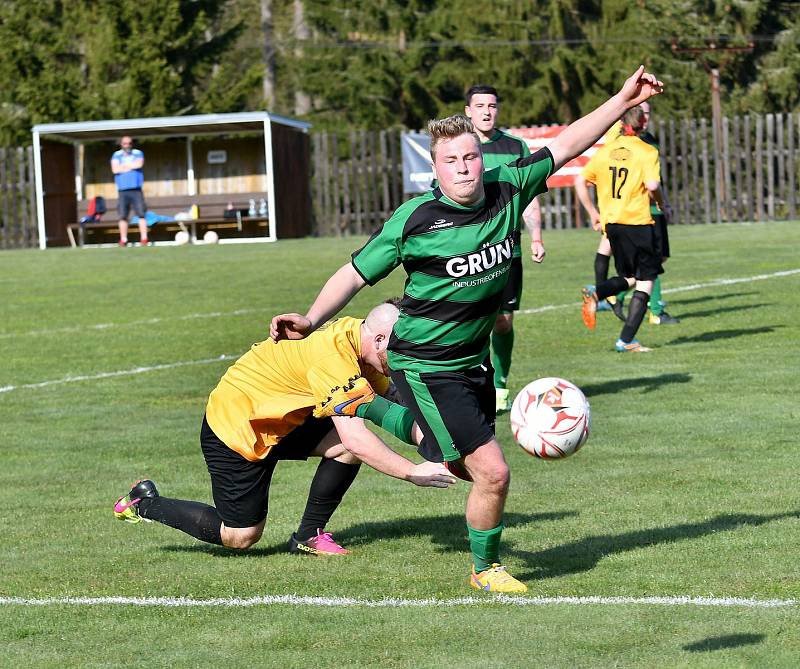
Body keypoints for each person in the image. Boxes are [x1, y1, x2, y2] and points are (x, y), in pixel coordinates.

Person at [271, 67, 663, 591]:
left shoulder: (509, 187)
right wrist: (310, 319)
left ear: (483, 158)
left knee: (455, 465)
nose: (464, 169)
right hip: (428, 366)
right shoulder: (414, 221)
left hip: (472, 362)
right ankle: (486, 571)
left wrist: (621, 98)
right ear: (435, 168)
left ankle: (364, 405)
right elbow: (355, 272)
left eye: (470, 157)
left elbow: (570, 141)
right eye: (450, 161)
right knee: (493, 472)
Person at [114, 300, 455, 554]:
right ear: (380, 339)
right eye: (401, 350)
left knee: (345, 450)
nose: (404, 359)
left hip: (283, 419)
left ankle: (308, 536)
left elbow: (390, 402)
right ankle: (143, 502)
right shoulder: (333, 358)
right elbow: (357, 437)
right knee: (241, 536)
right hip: (237, 426)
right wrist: (412, 472)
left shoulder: (364, 342)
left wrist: (440, 438)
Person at [464, 84, 545, 414]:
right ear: (468, 110)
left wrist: (536, 236)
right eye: (480, 105)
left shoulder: (515, 146)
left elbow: (528, 197)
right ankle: (474, 383)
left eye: (492, 105)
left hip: (507, 252)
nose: (487, 111)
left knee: (502, 322)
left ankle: (501, 383)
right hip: (468, 253)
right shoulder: (459, 145)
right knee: (471, 321)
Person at [575, 104, 668, 352]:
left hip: (613, 224)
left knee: (629, 277)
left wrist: (593, 214)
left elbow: (579, 181)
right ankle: (626, 340)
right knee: (647, 280)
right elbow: (651, 184)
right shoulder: (646, 150)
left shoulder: (606, 152)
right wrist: (661, 202)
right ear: (642, 124)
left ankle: (597, 292)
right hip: (637, 222)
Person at [588, 101, 679, 325]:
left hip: (641, 211)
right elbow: (650, 183)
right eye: (642, 114)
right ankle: (654, 311)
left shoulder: (650, 140)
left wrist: (664, 202)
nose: (645, 118)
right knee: (649, 267)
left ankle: (608, 295)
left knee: (645, 266)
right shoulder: (623, 142)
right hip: (637, 212)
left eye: (648, 113)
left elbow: (656, 181)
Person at [111, 136, 148, 247]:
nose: (127, 145)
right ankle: (123, 239)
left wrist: (123, 167)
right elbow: (115, 169)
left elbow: (139, 164)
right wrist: (131, 166)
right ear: (121, 144)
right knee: (123, 216)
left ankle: (144, 238)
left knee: (141, 214)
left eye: (129, 143)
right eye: (125, 143)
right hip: (122, 190)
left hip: (136, 189)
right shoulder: (116, 155)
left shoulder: (137, 153)